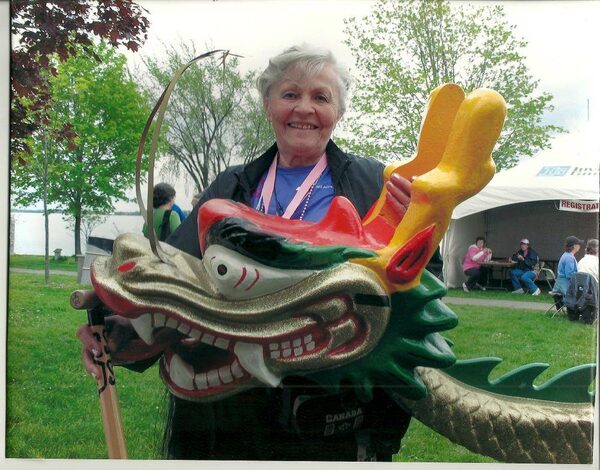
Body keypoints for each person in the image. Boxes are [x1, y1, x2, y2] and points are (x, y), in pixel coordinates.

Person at [78, 44, 414, 461]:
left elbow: (408, 297)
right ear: (268, 105)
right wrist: (120, 325)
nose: (304, 108)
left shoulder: (376, 185)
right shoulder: (231, 186)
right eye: (290, 94)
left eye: (321, 97)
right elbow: (175, 271)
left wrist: (413, 223)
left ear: (339, 111)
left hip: (329, 414)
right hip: (227, 410)